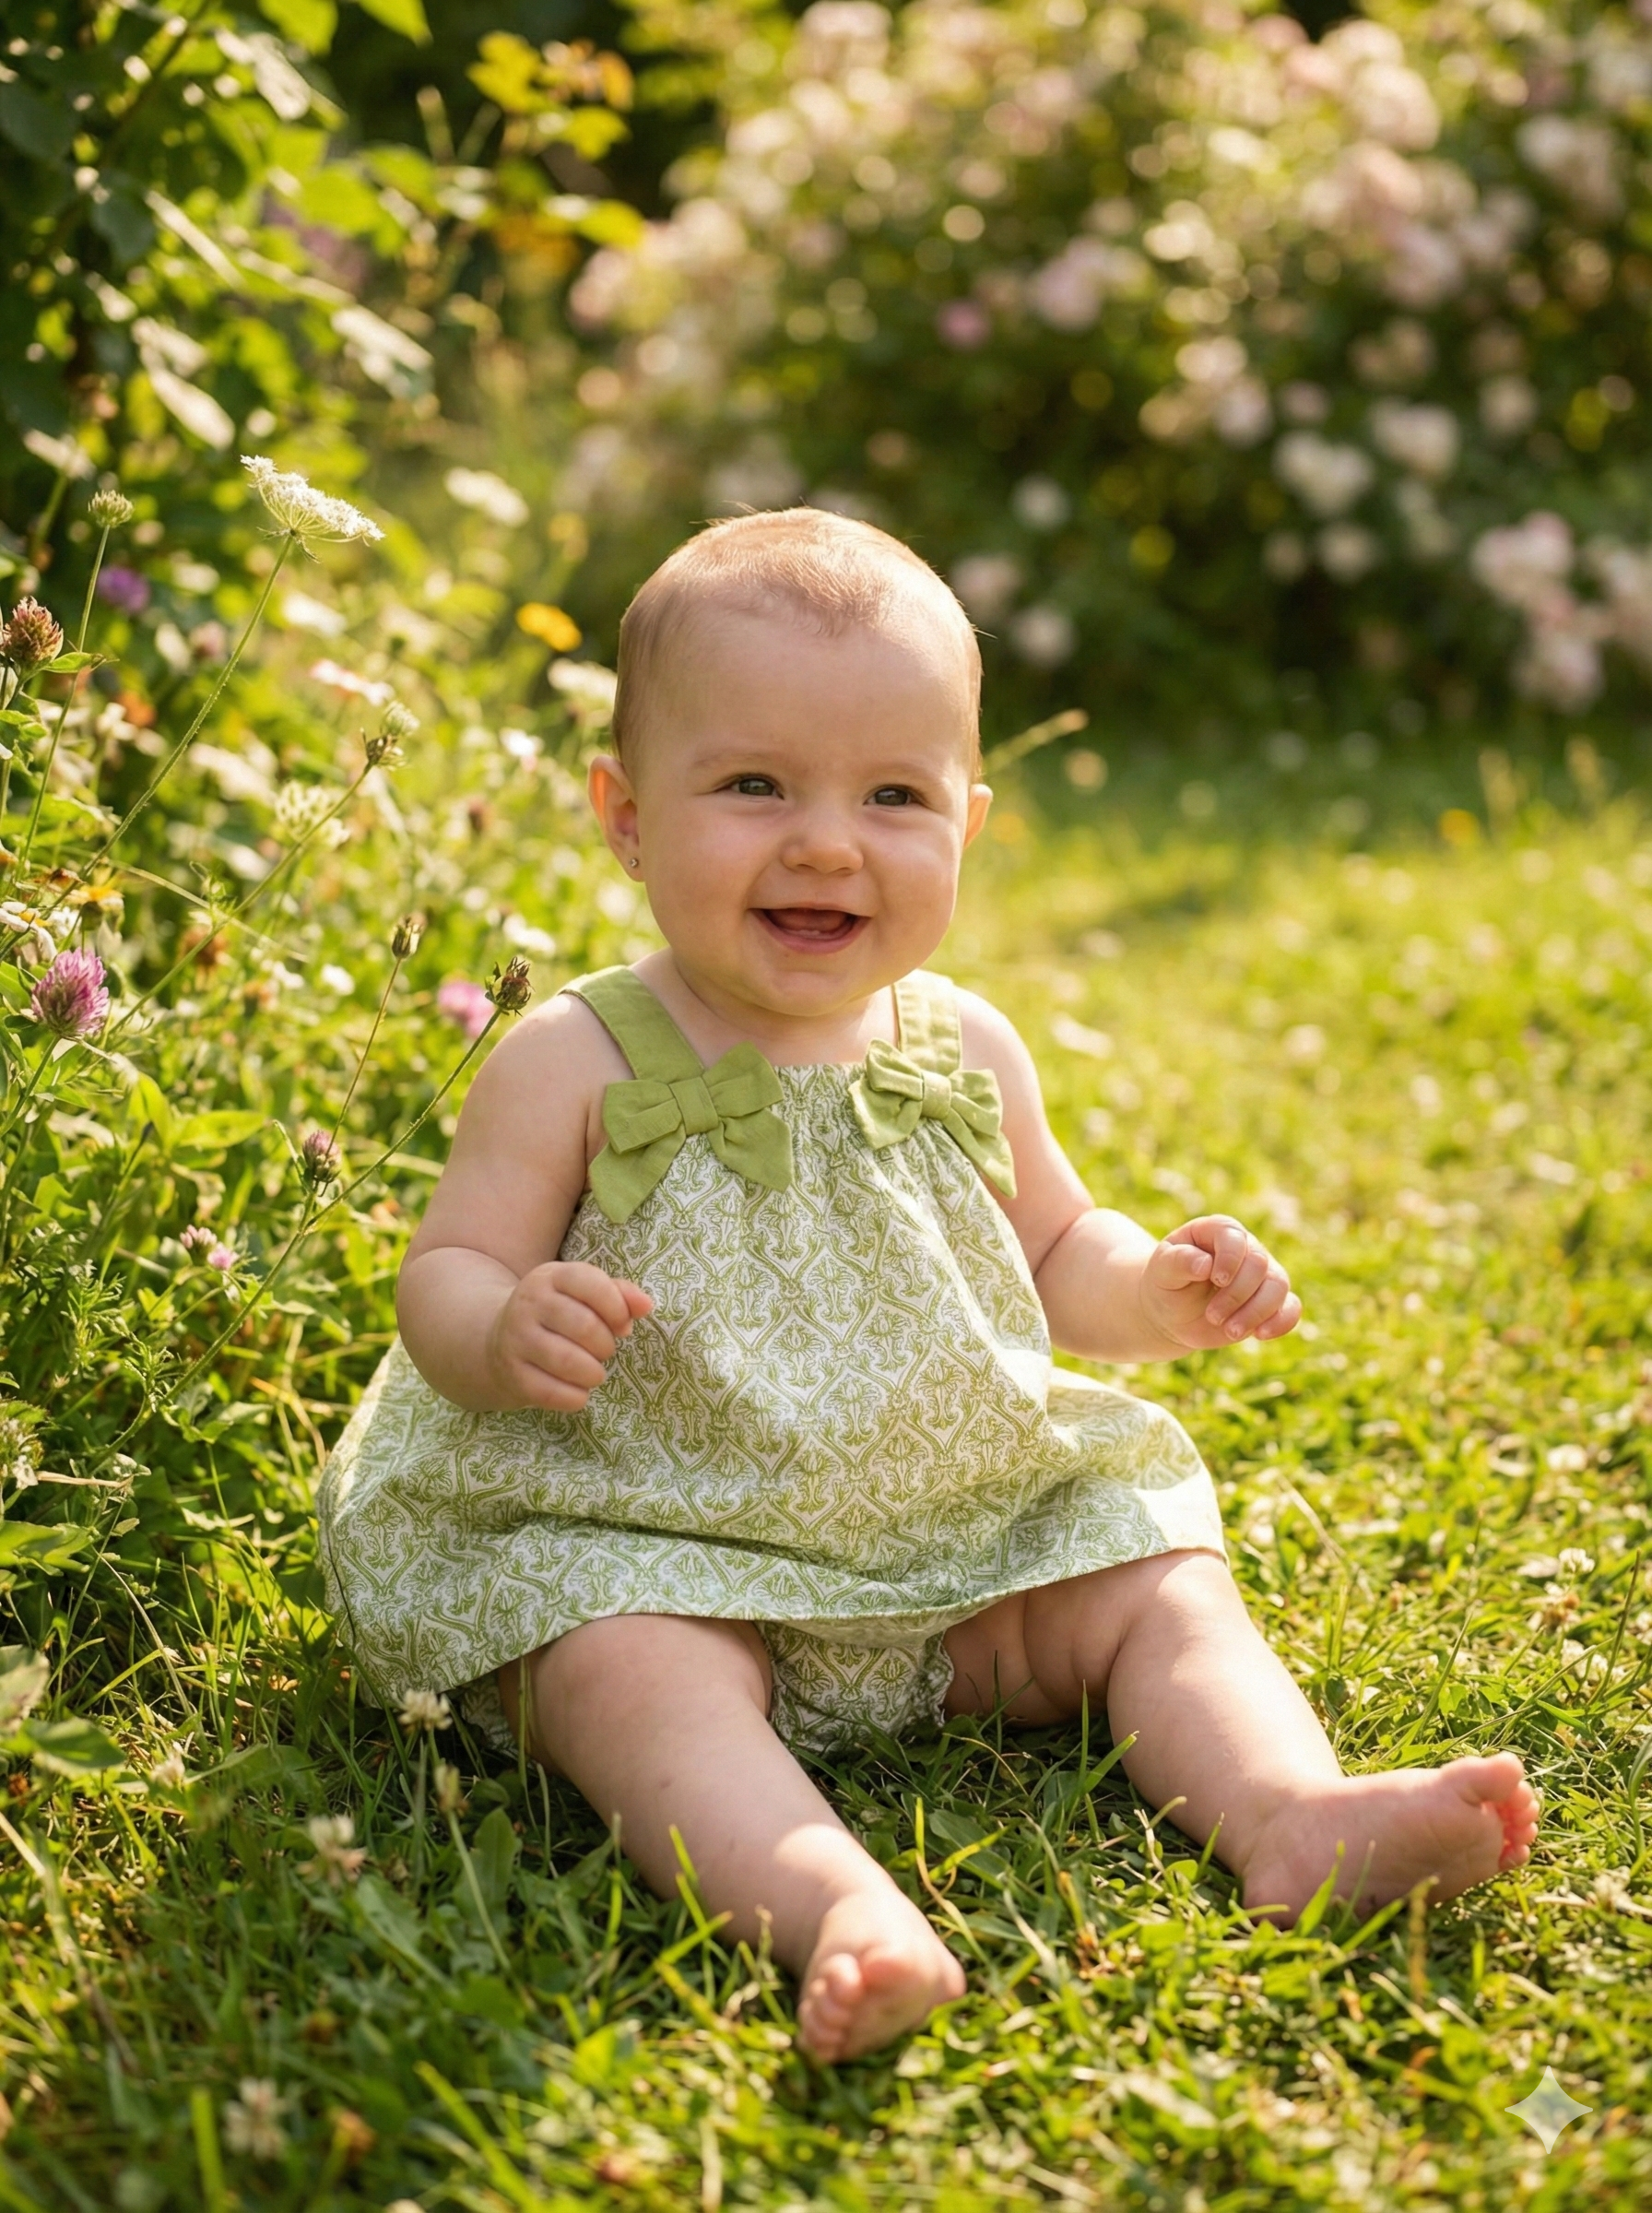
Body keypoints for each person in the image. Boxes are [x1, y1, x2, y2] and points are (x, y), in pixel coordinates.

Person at [319, 509, 1538, 2064]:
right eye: (754, 785)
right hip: (654, 1536)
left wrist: (1157, 1288)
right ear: (625, 816)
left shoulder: (965, 1047)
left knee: (1150, 1576)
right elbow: (448, 1269)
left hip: (952, 1553)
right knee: (630, 1676)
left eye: (893, 796)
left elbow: (1057, 1252)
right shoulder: (578, 1054)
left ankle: (1292, 1811)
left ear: (968, 820)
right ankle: (837, 1911)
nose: (828, 843)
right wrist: (501, 1328)